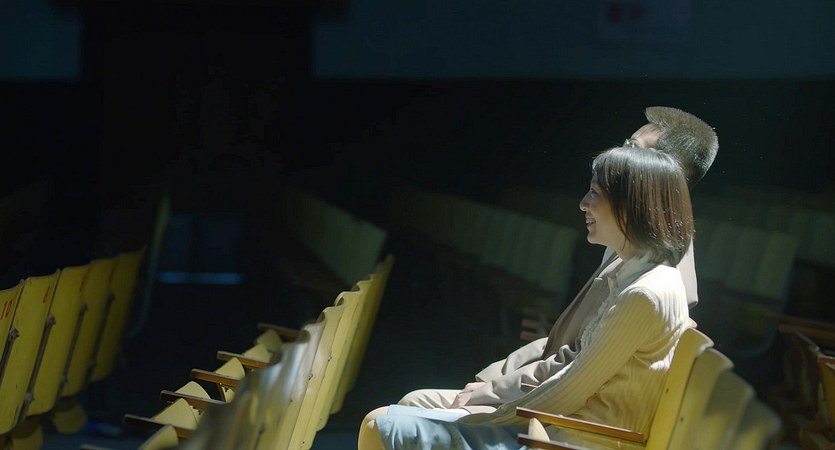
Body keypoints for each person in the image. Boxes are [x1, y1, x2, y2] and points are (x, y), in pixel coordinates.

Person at [358, 145, 696, 450]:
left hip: (572, 438)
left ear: (630, 204)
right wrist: (489, 398)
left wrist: (489, 415)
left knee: (380, 423)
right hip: (558, 427)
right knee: (408, 407)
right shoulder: (637, 275)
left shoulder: (644, 293)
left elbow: (571, 388)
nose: (583, 203)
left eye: (594, 193)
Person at [392, 106, 717, 412]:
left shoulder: (660, 273)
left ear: (659, 170)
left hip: (563, 413)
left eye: (632, 146)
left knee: (407, 409)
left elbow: (576, 368)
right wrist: (491, 379)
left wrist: (492, 391)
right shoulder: (632, 245)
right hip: (539, 389)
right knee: (409, 406)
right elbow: (564, 344)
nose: (620, 151)